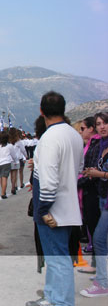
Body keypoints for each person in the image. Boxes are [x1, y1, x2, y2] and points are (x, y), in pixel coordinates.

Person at [26, 91, 84, 306]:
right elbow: (77, 169)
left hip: (53, 210)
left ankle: (61, 301)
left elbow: (49, 182)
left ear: (41, 112)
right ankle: (52, 296)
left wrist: (42, 212)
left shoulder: (49, 139)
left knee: (58, 259)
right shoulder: (73, 135)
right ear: (63, 109)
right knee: (57, 257)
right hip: (69, 205)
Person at [80, 112, 108, 297]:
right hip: (102, 196)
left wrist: (100, 175)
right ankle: (102, 276)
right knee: (102, 239)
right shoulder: (102, 146)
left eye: (105, 123)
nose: (102, 126)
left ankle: (103, 283)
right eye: (99, 123)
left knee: (98, 239)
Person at [76, 116, 101, 275]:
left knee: (96, 228)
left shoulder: (95, 146)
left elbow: (90, 171)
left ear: (91, 129)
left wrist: (77, 181)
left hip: (93, 192)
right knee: (94, 228)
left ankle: (98, 266)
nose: (81, 131)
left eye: (83, 128)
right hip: (90, 190)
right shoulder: (90, 145)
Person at [0, 131, 16, 199]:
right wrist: (15, 161)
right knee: (4, 178)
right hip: (6, 162)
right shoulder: (9, 146)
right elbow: (14, 155)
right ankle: (3, 193)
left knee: (1, 177)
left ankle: (3, 190)